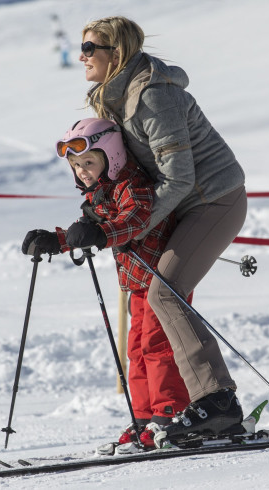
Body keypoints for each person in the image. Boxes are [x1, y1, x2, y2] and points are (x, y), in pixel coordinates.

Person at [77, 16, 248, 446]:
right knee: (153, 300)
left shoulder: (152, 96)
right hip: (183, 208)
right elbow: (120, 173)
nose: (82, 57)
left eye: (89, 48)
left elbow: (179, 179)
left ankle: (217, 403)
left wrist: (122, 230)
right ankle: (161, 413)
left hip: (214, 200)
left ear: (115, 54)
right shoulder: (114, 99)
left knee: (164, 291)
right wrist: (91, 219)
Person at [21, 118, 190, 453]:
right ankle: (144, 418)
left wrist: (100, 234)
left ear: (110, 156)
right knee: (137, 351)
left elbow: (135, 219)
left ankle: (170, 414)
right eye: (76, 166)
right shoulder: (101, 192)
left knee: (159, 349)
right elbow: (92, 227)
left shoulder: (133, 185)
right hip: (137, 284)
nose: (82, 171)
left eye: (88, 162)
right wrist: (56, 242)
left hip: (160, 278)